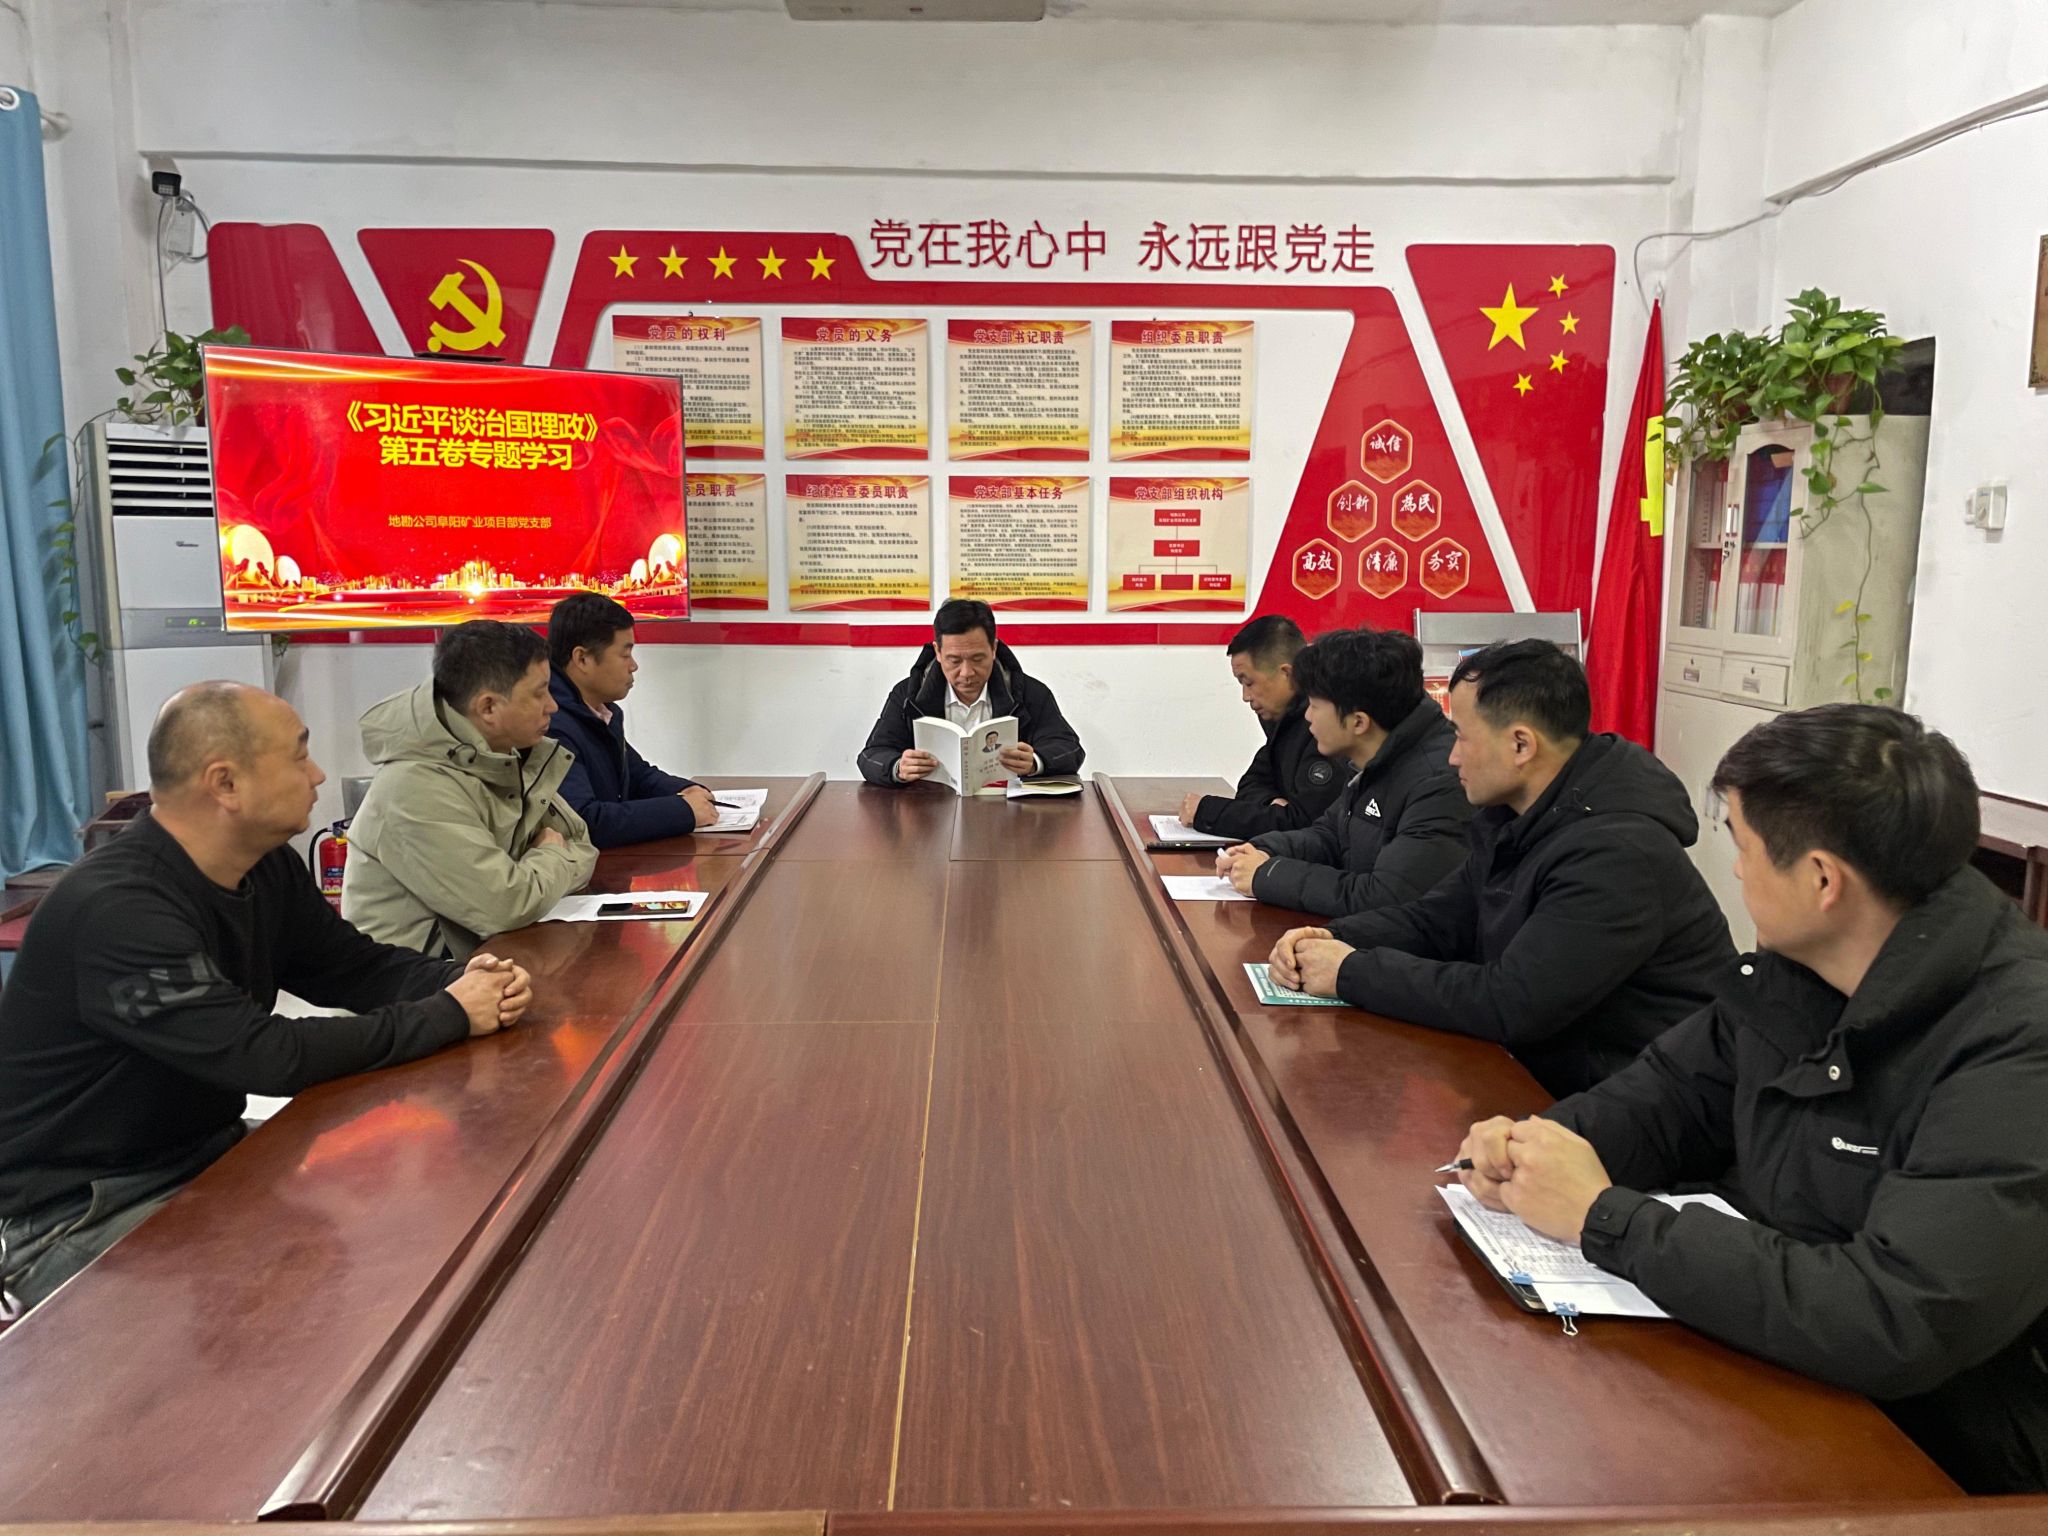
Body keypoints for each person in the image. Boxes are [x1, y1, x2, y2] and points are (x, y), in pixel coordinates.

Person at [1453, 705, 2048, 1494]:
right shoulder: (1796, 970)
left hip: (1947, 1454)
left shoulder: (2018, 1043)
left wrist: (1605, 1217)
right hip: (1781, 1363)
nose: (1734, 872)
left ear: (1823, 880)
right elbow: (1668, 1097)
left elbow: (1897, 1315)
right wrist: (1536, 1147)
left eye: (1743, 845)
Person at [0, 682, 528, 1317]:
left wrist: (465, 980)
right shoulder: (118, 907)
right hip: (80, 1208)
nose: (318, 773)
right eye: (299, 754)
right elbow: (265, 1057)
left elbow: (352, 967)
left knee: (412, 1238)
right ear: (226, 784)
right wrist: (450, 1013)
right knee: (305, 1311)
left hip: (208, 1153)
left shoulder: (264, 865)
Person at [1269, 639, 1732, 1096]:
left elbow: (1512, 1002)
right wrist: (1332, 938)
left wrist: (1351, 971)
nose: (1452, 756)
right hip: (1547, 1078)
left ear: (1521, 745)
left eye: (1462, 736)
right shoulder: (1516, 815)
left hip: (1628, 1105)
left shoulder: (1617, 852)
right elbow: (1438, 918)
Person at [344, 619, 597, 957]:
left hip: (486, 964)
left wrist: (537, 872)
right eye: (539, 692)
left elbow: (582, 844)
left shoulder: (506, 756)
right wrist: (550, 854)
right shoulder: (415, 788)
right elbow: (506, 905)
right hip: (419, 983)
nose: (552, 706)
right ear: (488, 707)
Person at [1213, 627, 1469, 916]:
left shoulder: (1438, 784)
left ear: (1358, 722)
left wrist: (1268, 875)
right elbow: (1330, 835)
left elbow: (1386, 897)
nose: (1307, 716)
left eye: (1314, 706)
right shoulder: (1374, 756)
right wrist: (1264, 850)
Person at [544, 592, 716, 848]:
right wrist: (683, 811)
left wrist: (687, 790)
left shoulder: (602, 712)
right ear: (582, 659)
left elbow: (637, 776)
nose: (633, 666)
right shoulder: (550, 723)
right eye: (625, 655)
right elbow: (585, 821)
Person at [857, 599, 1085, 787]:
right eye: (954, 660)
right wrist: (898, 767)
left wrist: (1035, 761)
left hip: (1007, 811)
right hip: (930, 809)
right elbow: (871, 755)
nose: (966, 673)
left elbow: (1070, 749)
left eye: (978, 659)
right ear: (938, 652)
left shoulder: (1028, 692)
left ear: (993, 649)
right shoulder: (909, 694)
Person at [1177, 615, 1355, 839]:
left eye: (1249, 682)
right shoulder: (1282, 722)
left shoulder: (1326, 729)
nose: (1245, 696)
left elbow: (1305, 825)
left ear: (1287, 674)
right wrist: (1271, 803)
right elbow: (1250, 784)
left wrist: (1208, 811)